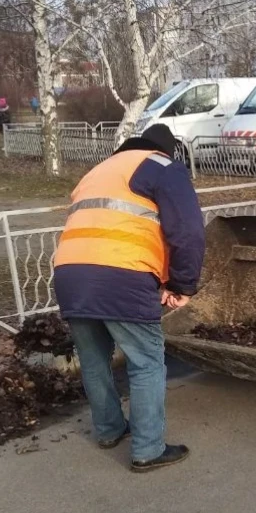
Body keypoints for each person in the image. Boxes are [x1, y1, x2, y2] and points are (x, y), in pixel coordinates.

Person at [53, 122, 205, 472]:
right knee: (146, 362)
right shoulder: (163, 166)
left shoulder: (100, 170)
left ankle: (107, 430)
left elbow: (115, 225)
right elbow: (188, 231)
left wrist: (164, 279)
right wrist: (182, 286)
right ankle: (148, 449)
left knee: (93, 360)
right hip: (121, 274)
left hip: (70, 274)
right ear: (166, 150)